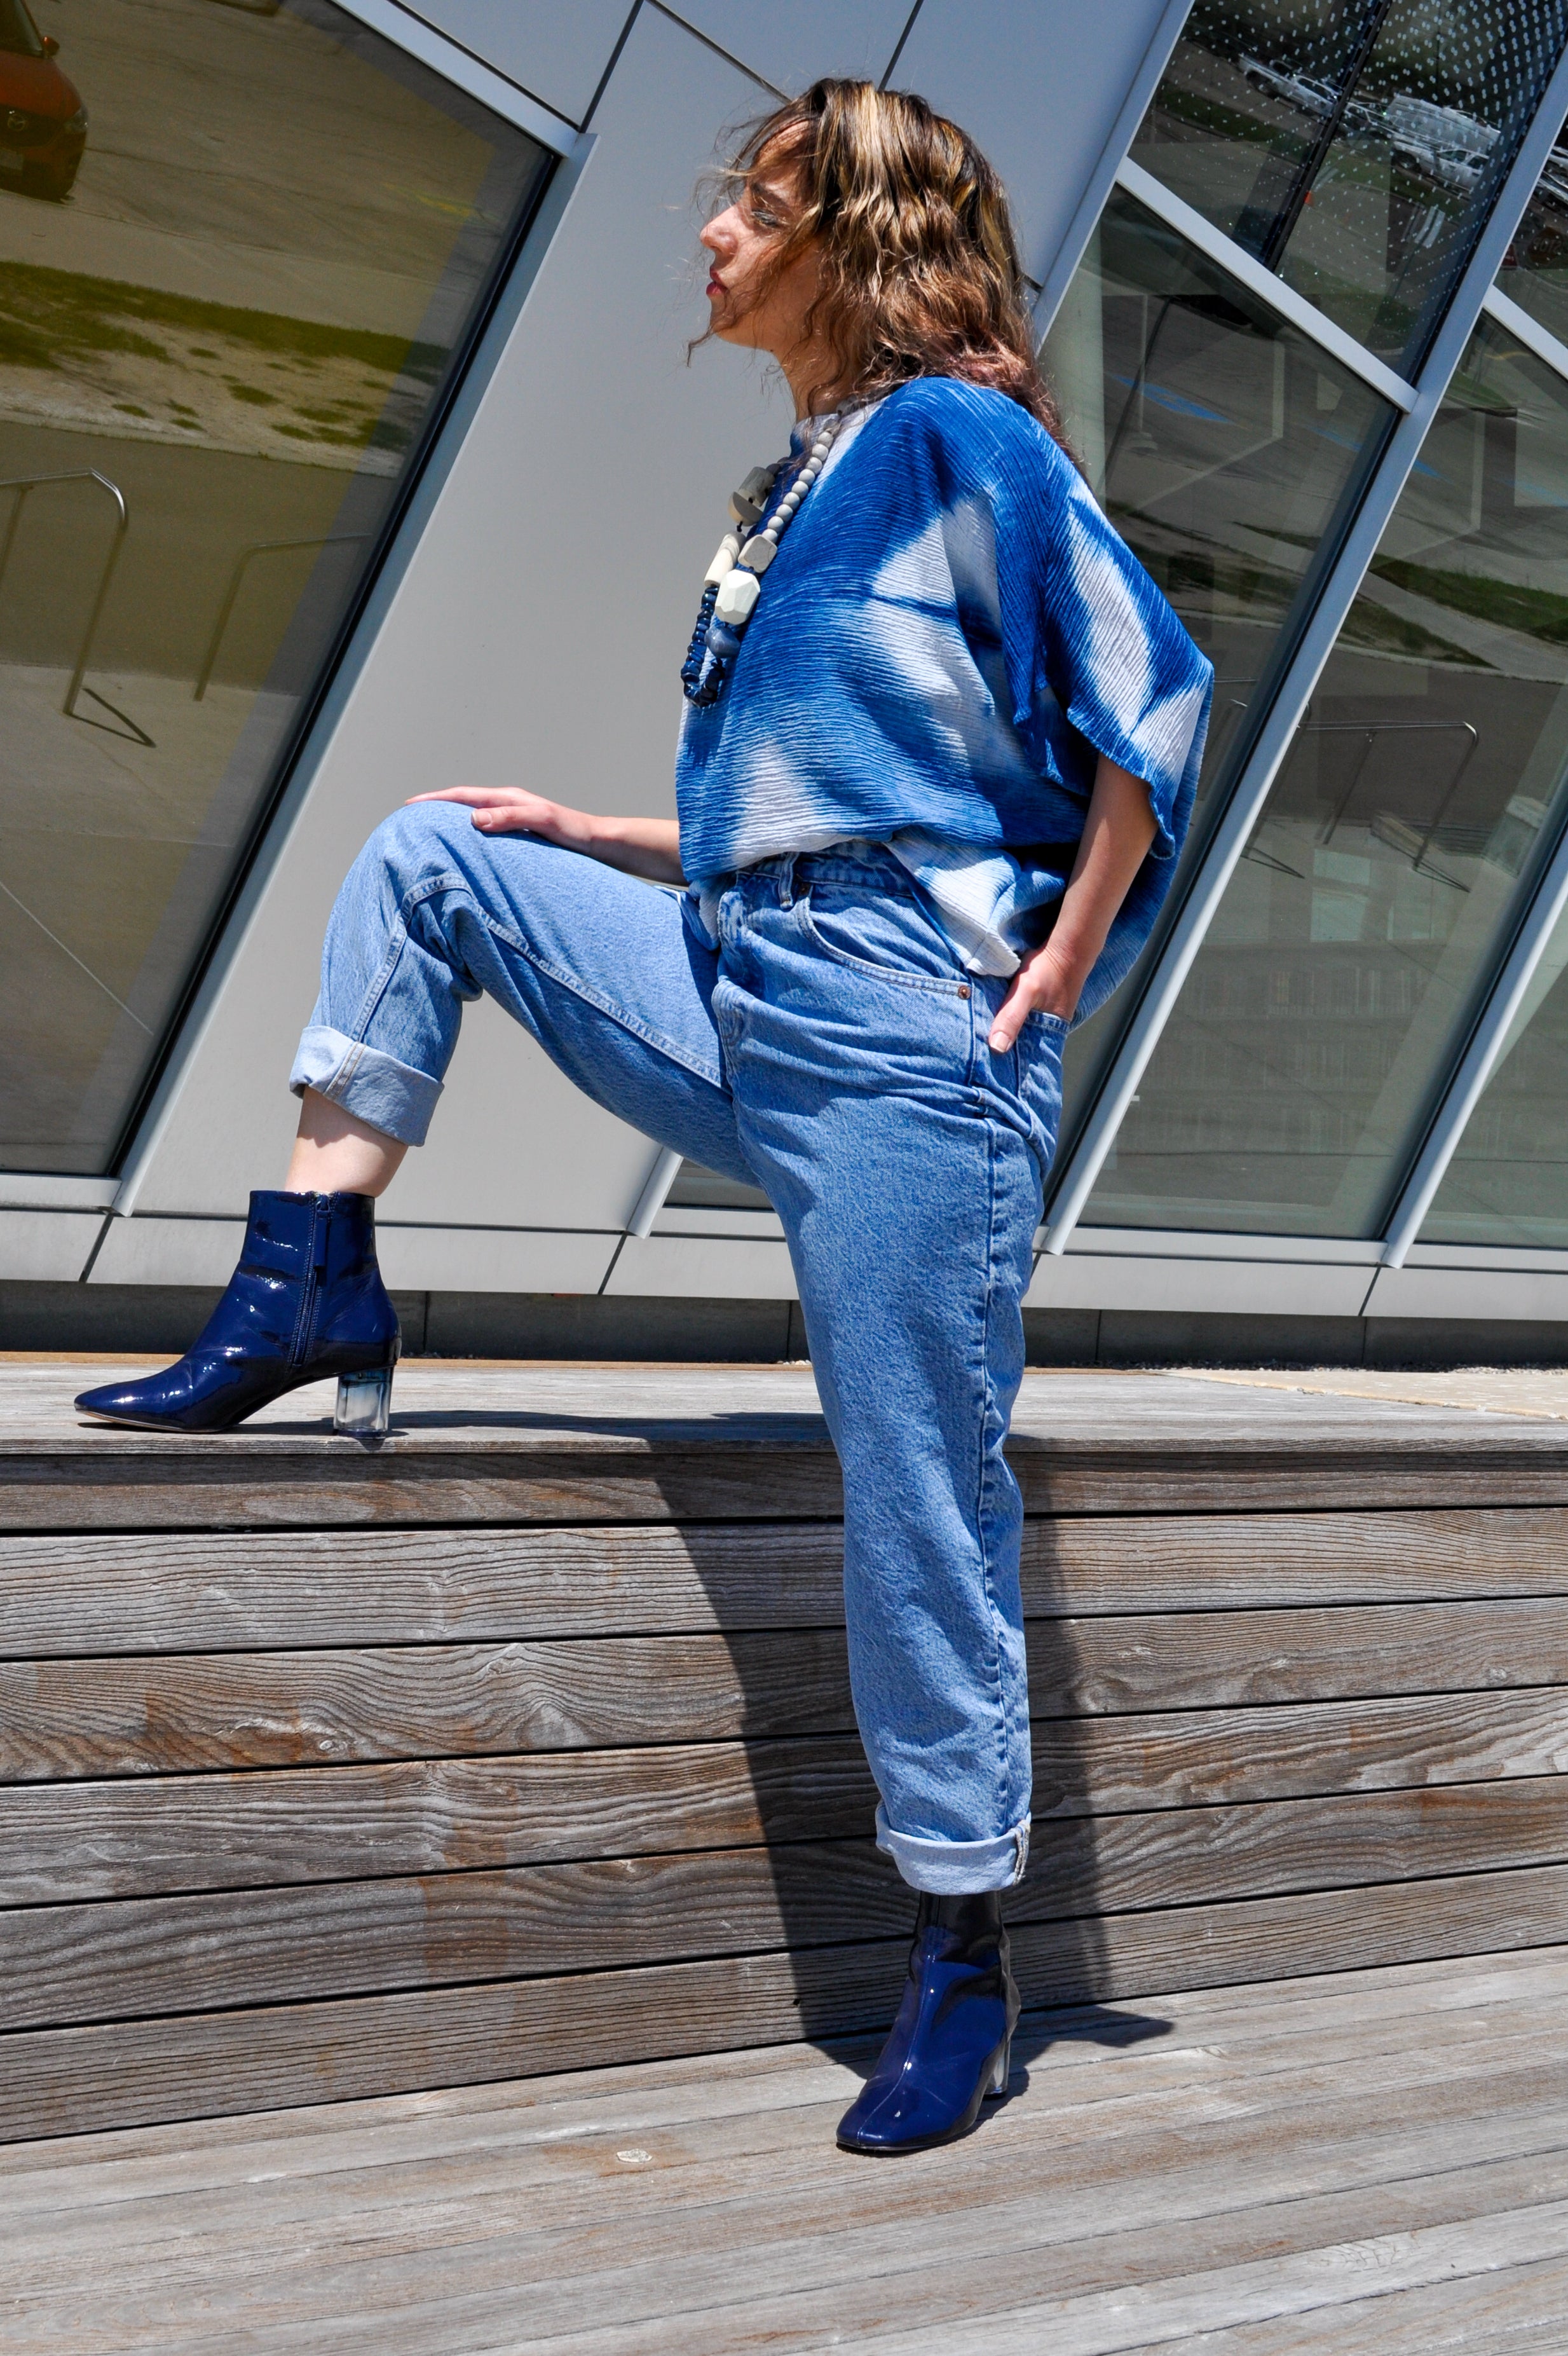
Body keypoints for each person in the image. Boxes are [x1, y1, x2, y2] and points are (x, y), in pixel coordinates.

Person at [77, 80, 1211, 2154]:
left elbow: (1152, 688)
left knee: (917, 1485)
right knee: (438, 851)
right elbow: (809, 785)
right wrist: (601, 835)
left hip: (899, 1038)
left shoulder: (960, 436)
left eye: (750, 208)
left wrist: (1060, 963)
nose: (706, 238)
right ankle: (311, 1280)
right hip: (744, 970)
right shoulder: (797, 479)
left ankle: (965, 1951)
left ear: (849, 245)